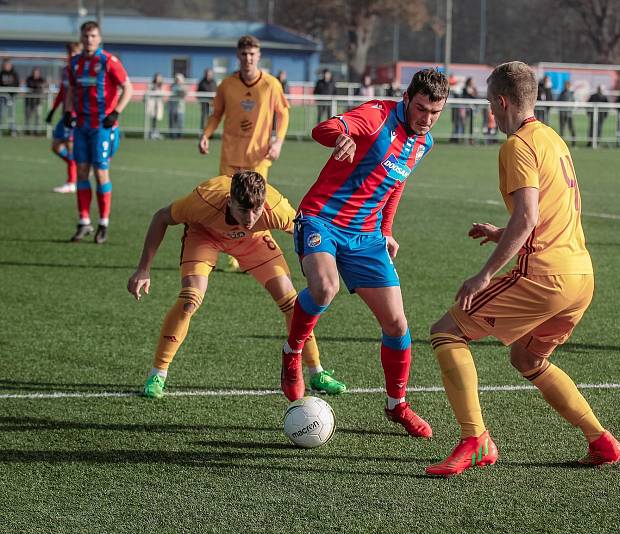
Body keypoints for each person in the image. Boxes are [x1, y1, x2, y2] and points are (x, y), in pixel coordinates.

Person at [426, 61, 620, 477]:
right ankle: (600, 440)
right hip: (581, 276)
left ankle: (475, 439)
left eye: (489, 106)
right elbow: (553, 211)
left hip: (545, 276)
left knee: (447, 331)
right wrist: (503, 232)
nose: (490, 114)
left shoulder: (516, 145)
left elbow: (529, 216)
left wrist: (484, 274)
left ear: (501, 101)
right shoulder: (552, 139)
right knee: (527, 358)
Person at [281, 68, 449, 438]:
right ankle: (293, 353)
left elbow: (396, 183)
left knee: (397, 324)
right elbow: (321, 129)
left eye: (435, 113)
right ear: (406, 98)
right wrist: (341, 137)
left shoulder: (424, 142)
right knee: (325, 288)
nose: (426, 119)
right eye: (421, 109)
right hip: (322, 219)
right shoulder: (376, 115)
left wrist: (387, 231)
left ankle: (396, 405)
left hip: (366, 236)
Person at [127, 171, 344, 398]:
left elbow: (310, 229)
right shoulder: (205, 199)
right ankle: (158, 374)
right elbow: (161, 217)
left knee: (292, 303)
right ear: (230, 201)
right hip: (205, 236)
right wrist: (143, 268)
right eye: (243, 210)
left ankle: (316, 372)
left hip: (253, 241)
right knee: (190, 299)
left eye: (256, 210)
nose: (250, 218)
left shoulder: (276, 208)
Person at [199, 35, 298, 277]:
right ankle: (234, 256)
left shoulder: (271, 85)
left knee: (255, 206)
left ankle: (259, 254)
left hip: (258, 156)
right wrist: (206, 134)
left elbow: (283, 114)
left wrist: (278, 141)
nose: (248, 58)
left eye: (252, 54)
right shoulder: (226, 85)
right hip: (231, 154)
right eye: (244, 54)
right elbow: (216, 114)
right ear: (238, 55)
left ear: (259, 56)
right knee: (230, 207)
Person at [64, 20, 133, 244]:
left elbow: (128, 88)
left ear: (99, 38)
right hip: (81, 126)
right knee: (82, 171)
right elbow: (70, 89)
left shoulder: (108, 61)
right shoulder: (74, 63)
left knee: (101, 172)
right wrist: (67, 111)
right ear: (81, 38)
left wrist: (116, 112)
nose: (89, 40)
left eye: (93, 36)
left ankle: (103, 222)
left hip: (102, 127)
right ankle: (84, 221)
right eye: (85, 36)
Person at [46, 42, 83, 193]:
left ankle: (72, 182)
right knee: (56, 146)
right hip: (65, 114)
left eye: (75, 53)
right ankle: (80, 167)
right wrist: (53, 110)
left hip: (76, 114)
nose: (72, 56)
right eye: (70, 53)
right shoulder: (67, 70)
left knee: (70, 146)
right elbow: (63, 92)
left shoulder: (82, 71)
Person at [0, 58, 20, 135]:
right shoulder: (1, 73)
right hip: (2, 97)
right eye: (6, 65)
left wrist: (11, 90)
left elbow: (16, 84)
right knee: (1, 114)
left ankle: (12, 130)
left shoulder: (14, 74)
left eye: (8, 64)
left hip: (12, 97)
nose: (7, 66)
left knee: (12, 115)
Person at [24, 67, 46, 135]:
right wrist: (38, 86)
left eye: (37, 73)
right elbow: (30, 85)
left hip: (38, 102)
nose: (36, 74)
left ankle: (37, 131)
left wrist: (40, 86)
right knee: (28, 117)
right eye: (35, 72)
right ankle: (27, 131)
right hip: (29, 102)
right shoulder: (29, 79)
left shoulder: (41, 79)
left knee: (38, 117)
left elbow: (44, 85)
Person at [145, 73, 165, 140]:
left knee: (157, 119)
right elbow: (148, 93)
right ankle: (152, 133)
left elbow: (162, 94)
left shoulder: (161, 86)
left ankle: (156, 132)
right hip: (152, 105)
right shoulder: (151, 85)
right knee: (153, 119)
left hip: (158, 105)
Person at [168, 73, 187, 139]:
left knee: (180, 123)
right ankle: (172, 136)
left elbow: (184, 94)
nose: (177, 80)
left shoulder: (184, 86)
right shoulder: (172, 86)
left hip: (180, 108)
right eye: (176, 79)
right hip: (172, 107)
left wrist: (180, 91)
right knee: (172, 122)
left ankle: (180, 136)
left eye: (179, 79)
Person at [557, 80, 576, 145]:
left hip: (569, 114)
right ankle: (561, 143)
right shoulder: (562, 93)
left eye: (567, 85)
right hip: (562, 114)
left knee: (571, 128)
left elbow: (574, 102)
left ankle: (574, 143)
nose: (566, 86)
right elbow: (558, 101)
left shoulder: (571, 94)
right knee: (562, 128)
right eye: (565, 85)